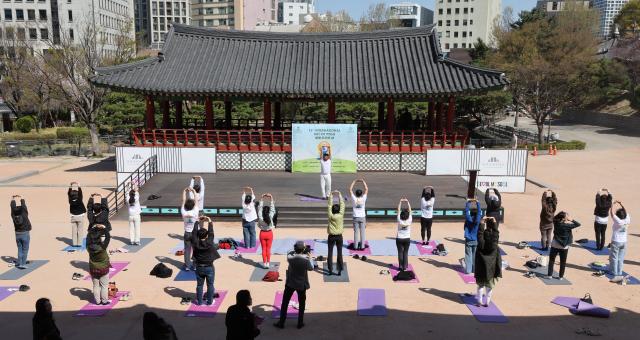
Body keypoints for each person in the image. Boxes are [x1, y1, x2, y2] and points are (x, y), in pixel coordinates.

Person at [274, 241, 314, 330]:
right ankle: (300, 323)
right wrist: (309, 257)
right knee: (302, 304)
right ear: (303, 249)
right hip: (301, 284)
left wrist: (298, 248)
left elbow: (289, 251)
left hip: (290, 283)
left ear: (295, 248)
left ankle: (281, 322)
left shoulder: (290, 257)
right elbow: (311, 268)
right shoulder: (306, 259)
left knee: (285, 303)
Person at [192, 215, 220, 305]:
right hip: (209, 267)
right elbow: (211, 233)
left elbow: (194, 232)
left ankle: (199, 302)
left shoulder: (195, 242)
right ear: (206, 235)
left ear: (198, 236)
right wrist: (209, 221)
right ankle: (210, 301)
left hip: (199, 267)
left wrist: (197, 221)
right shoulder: (209, 242)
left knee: (199, 285)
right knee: (210, 285)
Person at [474, 217, 502, 307]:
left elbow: (479, 234)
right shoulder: (494, 244)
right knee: (489, 286)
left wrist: (482, 222)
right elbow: (496, 234)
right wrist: (494, 221)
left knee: (481, 285)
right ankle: (487, 302)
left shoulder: (481, 243)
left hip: (481, 268)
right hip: (491, 268)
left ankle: (479, 301)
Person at [546, 212, 581, 280]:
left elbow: (555, 218)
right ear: (564, 218)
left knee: (552, 260)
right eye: (567, 216)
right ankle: (560, 276)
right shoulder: (567, 226)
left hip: (555, 244)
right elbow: (578, 224)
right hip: (564, 246)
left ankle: (549, 275)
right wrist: (571, 220)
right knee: (563, 262)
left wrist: (564, 218)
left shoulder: (556, 222)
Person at [87, 224, 111, 305]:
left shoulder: (88, 247)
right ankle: (104, 301)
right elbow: (108, 237)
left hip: (93, 268)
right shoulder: (103, 246)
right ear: (99, 238)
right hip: (103, 268)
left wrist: (93, 228)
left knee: (95, 285)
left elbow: (88, 237)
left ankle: (97, 301)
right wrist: (104, 228)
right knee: (104, 285)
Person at [609, 201, 630, 283]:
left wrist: (612, 205)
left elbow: (611, 213)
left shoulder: (618, 221)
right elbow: (626, 211)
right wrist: (621, 203)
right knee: (621, 258)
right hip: (624, 242)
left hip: (616, 241)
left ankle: (614, 272)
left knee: (614, 257)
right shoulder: (627, 219)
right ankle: (620, 272)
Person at [326, 190, 345, 276]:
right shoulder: (341, 215)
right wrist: (339, 194)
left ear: (333, 210)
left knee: (330, 253)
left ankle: (330, 270)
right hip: (339, 236)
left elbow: (329, 205)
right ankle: (339, 270)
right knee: (339, 253)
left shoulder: (330, 215)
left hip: (331, 236)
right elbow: (342, 205)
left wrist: (331, 195)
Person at [181, 187, 199, 271]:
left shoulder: (183, 212)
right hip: (194, 233)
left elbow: (183, 201)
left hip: (187, 233)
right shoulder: (195, 211)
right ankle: (195, 265)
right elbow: (196, 201)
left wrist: (184, 191)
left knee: (187, 250)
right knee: (195, 249)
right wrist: (194, 191)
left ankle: (187, 266)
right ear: (193, 205)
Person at [11, 195, 31, 269]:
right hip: (25, 234)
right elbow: (24, 207)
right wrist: (22, 198)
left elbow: (12, 208)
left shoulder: (13, 216)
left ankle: (19, 262)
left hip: (17, 234)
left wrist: (13, 199)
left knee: (19, 248)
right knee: (25, 249)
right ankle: (22, 264)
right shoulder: (24, 215)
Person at [463, 199, 483, 274]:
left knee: (468, 255)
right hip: (476, 240)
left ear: (471, 213)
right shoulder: (478, 220)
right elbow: (479, 212)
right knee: (475, 255)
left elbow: (466, 211)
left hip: (468, 240)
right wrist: (477, 202)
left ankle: (468, 270)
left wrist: (468, 202)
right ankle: (474, 270)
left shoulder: (468, 219)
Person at [258, 193, 276, 269]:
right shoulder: (270, 216)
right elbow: (272, 208)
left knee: (263, 249)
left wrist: (262, 198)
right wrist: (271, 197)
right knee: (268, 249)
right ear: (268, 212)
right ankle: (268, 262)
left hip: (262, 233)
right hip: (269, 234)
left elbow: (259, 208)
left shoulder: (261, 217)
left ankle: (264, 263)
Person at [350, 179, 368, 250]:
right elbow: (366, 189)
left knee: (356, 232)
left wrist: (354, 181)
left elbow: (350, 189)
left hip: (355, 217)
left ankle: (355, 246)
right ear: (361, 194)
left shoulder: (354, 198)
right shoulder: (363, 198)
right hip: (362, 217)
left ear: (356, 194)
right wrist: (363, 181)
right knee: (362, 232)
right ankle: (362, 246)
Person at [396, 198, 412, 272]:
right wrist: (407, 202)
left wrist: (400, 202)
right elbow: (410, 210)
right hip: (407, 239)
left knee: (400, 252)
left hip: (399, 238)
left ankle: (400, 266)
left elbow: (398, 210)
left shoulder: (399, 220)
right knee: (405, 252)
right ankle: (405, 266)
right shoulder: (409, 220)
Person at [68, 182, 86, 247]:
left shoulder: (70, 201)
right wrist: (79, 186)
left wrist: (71, 186)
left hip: (73, 217)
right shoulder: (79, 200)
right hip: (80, 217)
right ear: (77, 195)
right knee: (80, 230)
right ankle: (79, 243)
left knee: (74, 231)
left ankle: (74, 243)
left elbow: (69, 194)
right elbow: (81, 194)